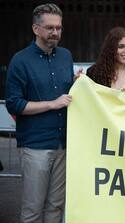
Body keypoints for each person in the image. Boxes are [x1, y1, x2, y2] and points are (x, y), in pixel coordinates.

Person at [5, 3, 73, 223]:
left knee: (56, 207)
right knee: (33, 209)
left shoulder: (66, 56)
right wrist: (52, 104)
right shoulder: (20, 60)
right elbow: (14, 104)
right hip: (35, 146)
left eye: (59, 28)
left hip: (63, 144)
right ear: (36, 29)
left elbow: (69, 94)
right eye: (50, 28)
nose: (55, 32)